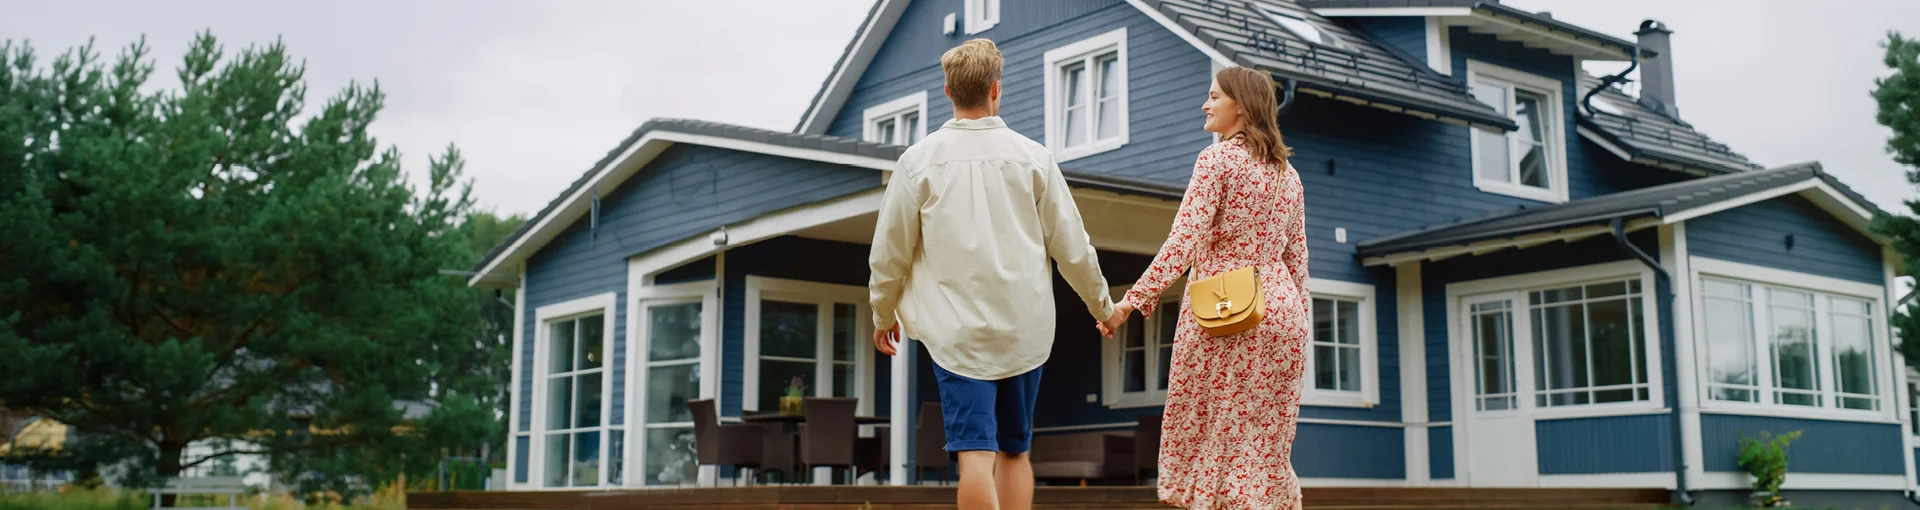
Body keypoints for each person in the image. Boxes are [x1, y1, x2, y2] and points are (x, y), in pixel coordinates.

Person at [868, 38, 1114, 510]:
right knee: (1015, 451)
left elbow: (889, 253)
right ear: (996, 89)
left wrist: (883, 313)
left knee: (975, 455)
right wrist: (1102, 307)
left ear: (947, 91)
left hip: (956, 337)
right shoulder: (1034, 158)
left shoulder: (917, 162)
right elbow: (1072, 247)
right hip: (1023, 332)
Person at [1099, 66, 1311, 510]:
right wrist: (1300, 329)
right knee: (1259, 443)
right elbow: (1298, 262)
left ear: (1242, 106)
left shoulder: (1216, 160)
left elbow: (1183, 240)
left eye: (1214, 96)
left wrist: (1132, 301)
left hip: (1228, 310)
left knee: (1214, 432)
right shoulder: (1288, 175)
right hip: (1283, 315)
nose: (1205, 104)